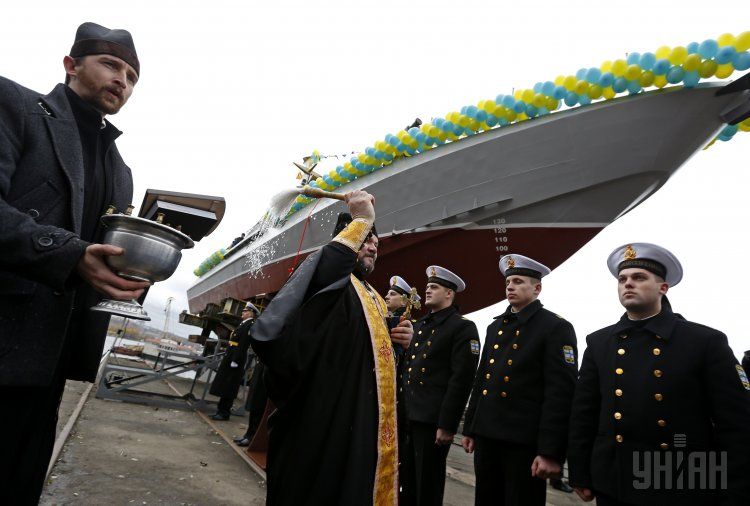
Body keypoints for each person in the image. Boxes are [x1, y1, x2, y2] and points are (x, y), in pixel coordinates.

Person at [0, 22, 147, 503]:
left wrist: (133, 270)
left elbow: (98, 250)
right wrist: (70, 254)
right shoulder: (16, 105)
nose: (121, 80)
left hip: (52, 358)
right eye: (110, 64)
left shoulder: (120, 169)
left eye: (131, 76)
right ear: (71, 65)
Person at [249, 190, 413, 505]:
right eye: (365, 239)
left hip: (360, 422)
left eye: (376, 243)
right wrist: (361, 220)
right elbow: (324, 280)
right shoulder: (329, 278)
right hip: (323, 419)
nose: (373, 246)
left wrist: (398, 344)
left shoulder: (375, 298)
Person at [567, 243, 750, 506]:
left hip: (680, 485)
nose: (628, 284)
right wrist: (580, 472)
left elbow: (736, 423)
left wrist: (736, 491)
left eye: (639, 277)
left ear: (663, 288)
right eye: (622, 279)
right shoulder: (599, 342)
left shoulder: (704, 341)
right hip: (615, 482)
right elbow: (583, 414)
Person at [461, 254, 578, 506]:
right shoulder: (495, 327)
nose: (510, 287)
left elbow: (560, 394)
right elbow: (481, 380)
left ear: (537, 289)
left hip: (523, 442)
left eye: (518, 281)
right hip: (487, 435)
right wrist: (471, 428)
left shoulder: (555, 327)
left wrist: (550, 452)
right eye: (508, 282)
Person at [401, 266, 480, 506]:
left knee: (427, 486)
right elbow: (408, 371)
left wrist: (447, 424)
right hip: (409, 417)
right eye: (427, 287)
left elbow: (461, 380)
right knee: (406, 484)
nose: (427, 290)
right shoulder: (421, 325)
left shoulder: (462, 328)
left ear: (449, 293)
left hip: (432, 422)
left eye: (434, 287)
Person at [209, 303, 259, 420]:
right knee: (225, 385)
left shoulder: (249, 325)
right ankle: (220, 410)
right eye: (243, 311)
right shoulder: (243, 324)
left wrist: (235, 360)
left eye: (245, 311)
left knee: (229, 386)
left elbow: (243, 344)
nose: (243, 312)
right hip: (231, 356)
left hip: (235, 359)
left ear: (251, 313)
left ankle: (224, 413)